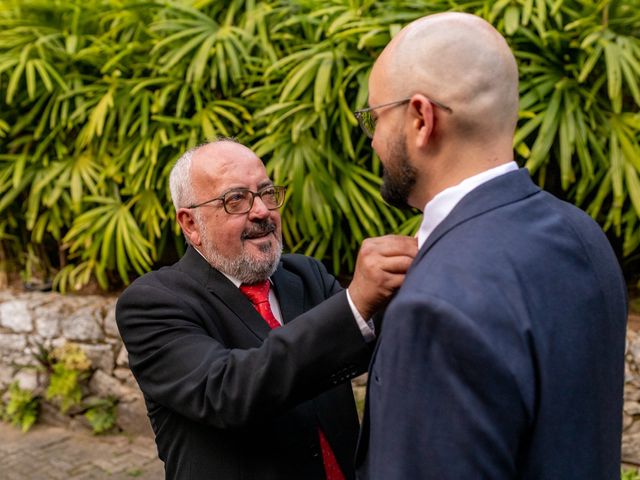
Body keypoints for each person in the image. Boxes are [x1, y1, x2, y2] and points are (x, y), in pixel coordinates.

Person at [353, 12, 628, 479]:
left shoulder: (435, 307)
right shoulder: (583, 234)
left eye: (374, 118)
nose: (374, 139)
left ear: (421, 118)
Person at [115, 138, 417, 480]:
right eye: (236, 200)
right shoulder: (153, 302)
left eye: (267, 192)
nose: (262, 211)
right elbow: (228, 391)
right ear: (190, 224)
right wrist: (356, 302)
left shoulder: (306, 275)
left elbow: (369, 341)